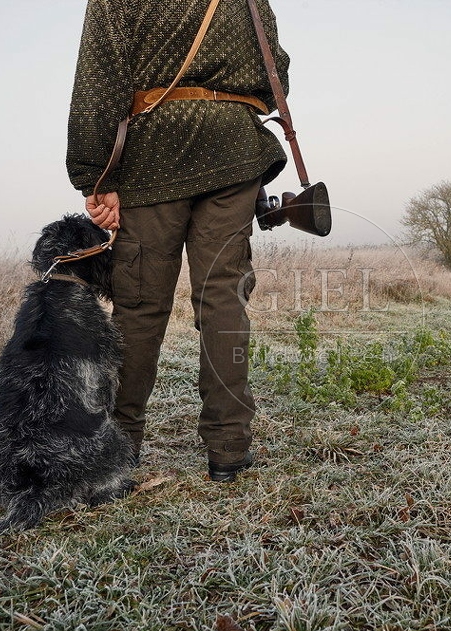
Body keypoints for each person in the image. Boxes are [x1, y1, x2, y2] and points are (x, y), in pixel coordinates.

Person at [66, 0, 290, 482]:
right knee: (223, 298)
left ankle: (120, 447)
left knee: (140, 305)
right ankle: (229, 449)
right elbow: (278, 72)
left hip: (153, 149)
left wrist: (93, 175)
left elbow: (98, 80)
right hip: (235, 145)